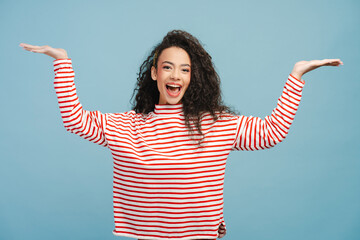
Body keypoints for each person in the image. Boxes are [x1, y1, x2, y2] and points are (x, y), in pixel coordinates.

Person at [20, 30, 343, 240]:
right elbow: (76, 121)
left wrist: (296, 75)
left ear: (193, 76)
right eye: (168, 67)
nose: (176, 75)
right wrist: (62, 62)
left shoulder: (217, 123)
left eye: (185, 69)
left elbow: (271, 132)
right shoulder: (126, 124)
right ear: (154, 73)